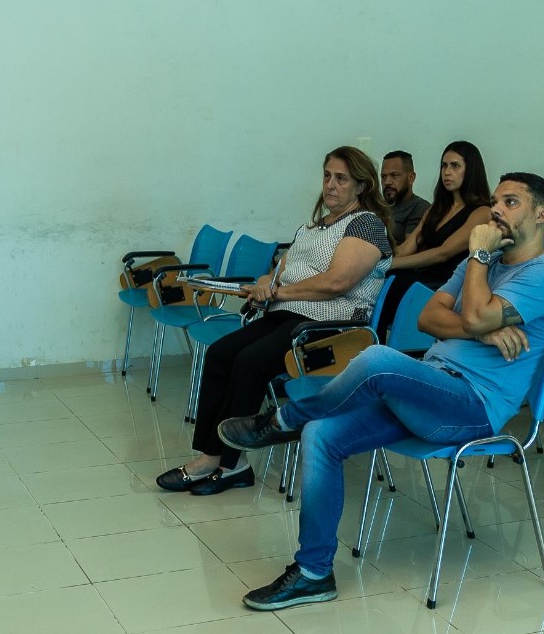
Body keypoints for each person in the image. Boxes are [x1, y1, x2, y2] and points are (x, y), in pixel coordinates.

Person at [217, 173, 544, 609]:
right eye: (495, 201)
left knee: (377, 358)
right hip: (429, 388)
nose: (496, 210)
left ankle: (286, 417)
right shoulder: (483, 265)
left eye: (511, 202)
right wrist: (480, 331)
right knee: (321, 437)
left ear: (542, 215)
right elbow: (428, 318)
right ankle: (313, 572)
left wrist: (478, 261)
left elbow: (474, 314)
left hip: (472, 408)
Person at [155, 146, 392, 495]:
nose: (330, 185)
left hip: (331, 332)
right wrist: (267, 282)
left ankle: (233, 465)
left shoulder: (366, 225)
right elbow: (280, 270)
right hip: (290, 316)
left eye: (341, 179)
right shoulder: (312, 227)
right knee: (221, 354)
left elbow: (336, 283)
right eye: (327, 176)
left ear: (361, 186)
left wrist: (279, 292)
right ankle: (209, 457)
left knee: (251, 362)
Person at [374, 141, 493, 335]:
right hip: (422, 277)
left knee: (397, 278)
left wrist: (391, 264)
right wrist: (376, 261)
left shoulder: (482, 212)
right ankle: (364, 335)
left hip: (448, 284)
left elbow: (443, 253)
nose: (447, 172)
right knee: (377, 276)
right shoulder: (436, 208)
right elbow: (408, 246)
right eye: (444, 166)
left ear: (471, 170)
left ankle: (375, 341)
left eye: (455, 166)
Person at [381, 150, 429, 246]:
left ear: (411, 178)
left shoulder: (419, 207)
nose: (387, 182)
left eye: (394, 175)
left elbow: (408, 249)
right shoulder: (377, 207)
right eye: (383, 176)